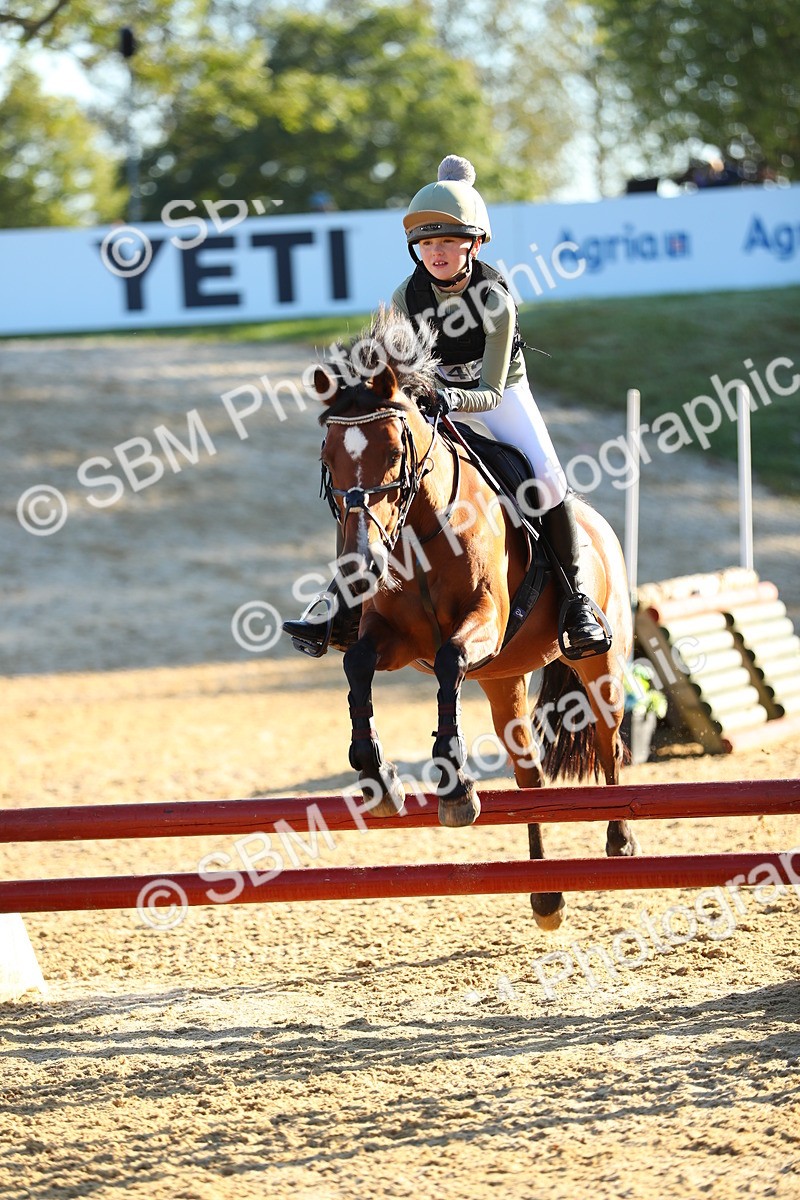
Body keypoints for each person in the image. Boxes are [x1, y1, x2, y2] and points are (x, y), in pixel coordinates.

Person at [283, 155, 609, 659]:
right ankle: (340, 604)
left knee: (547, 480)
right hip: (431, 399)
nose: (436, 252)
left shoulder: (494, 297)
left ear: (474, 244)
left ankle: (578, 603)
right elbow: (393, 369)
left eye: (448, 242)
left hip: (497, 395)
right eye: (427, 243)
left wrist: (452, 397)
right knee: (376, 481)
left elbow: (493, 392)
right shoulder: (405, 295)